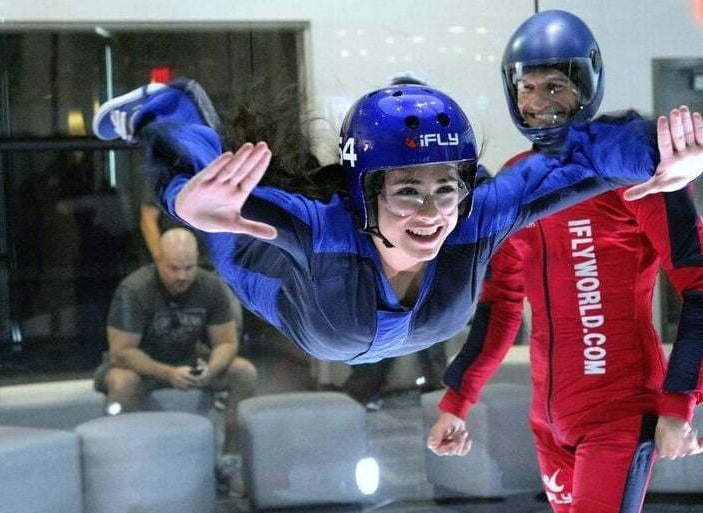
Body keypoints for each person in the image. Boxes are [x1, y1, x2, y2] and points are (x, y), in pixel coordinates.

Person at [92, 75, 703, 367]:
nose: (434, 213)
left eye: (447, 187)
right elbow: (210, 191)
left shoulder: (474, 217)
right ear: (365, 196)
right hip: (279, 282)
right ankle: (165, 105)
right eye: (408, 191)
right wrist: (182, 200)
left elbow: (575, 160)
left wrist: (661, 147)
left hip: (352, 326)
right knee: (224, 200)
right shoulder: (324, 230)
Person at [427, 11, 703, 513]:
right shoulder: (515, 183)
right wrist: (457, 401)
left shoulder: (631, 172)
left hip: (620, 413)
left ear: (585, 88)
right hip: (548, 422)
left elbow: (699, 285)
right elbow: (501, 304)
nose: (538, 102)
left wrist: (678, 406)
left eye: (554, 86)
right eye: (527, 87)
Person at [93, 227, 256, 497]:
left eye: (188, 268)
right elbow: (122, 352)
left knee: (244, 372)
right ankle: (133, 464)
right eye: (174, 269)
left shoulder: (210, 286)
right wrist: (167, 373)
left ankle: (230, 460)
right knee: (121, 384)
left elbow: (227, 342)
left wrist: (210, 369)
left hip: (187, 360)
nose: (182, 276)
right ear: (159, 261)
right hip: (140, 366)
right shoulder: (134, 289)